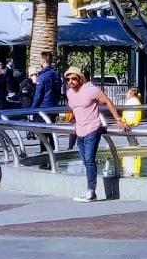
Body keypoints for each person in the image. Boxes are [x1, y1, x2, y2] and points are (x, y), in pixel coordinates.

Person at [64, 66, 129, 202]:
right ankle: (90, 190)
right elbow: (76, 109)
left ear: (80, 79)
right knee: (85, 161)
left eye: (74, 79)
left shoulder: (91, 90)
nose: (71, 81)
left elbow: (108, 102)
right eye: (68, 79)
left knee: (89, 159)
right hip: (79, 131)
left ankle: (91, 191)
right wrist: (75, 122)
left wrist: (118, 119)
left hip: (93, 129)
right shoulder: (69, 92)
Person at [32, 51, 62, 150]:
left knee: (43, 135)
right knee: (51, 133)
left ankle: (45, 159)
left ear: (44, 60)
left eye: (40, 59)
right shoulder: (55, 75)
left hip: (43, 108)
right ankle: (53, 155)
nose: (39, 61)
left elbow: (38, 95)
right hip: (52, 107)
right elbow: (57, 92)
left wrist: (32, 109)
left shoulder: (42, 77)